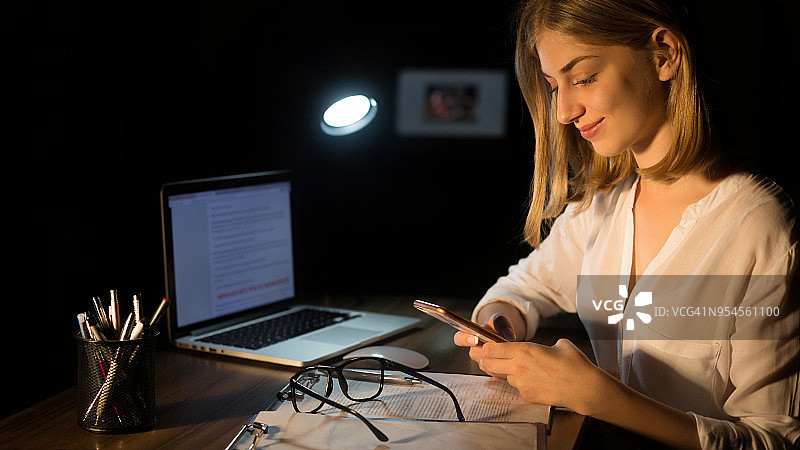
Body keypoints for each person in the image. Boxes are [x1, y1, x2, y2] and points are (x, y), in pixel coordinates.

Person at [453, 0, 799, 448]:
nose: (563, 111)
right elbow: (518, 291)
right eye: (553, 85)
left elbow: (774, 438)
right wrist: (499, 327)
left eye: (583, 78)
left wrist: (599, 397)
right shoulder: (601, 206)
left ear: (663, 55)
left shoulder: (759, 228)